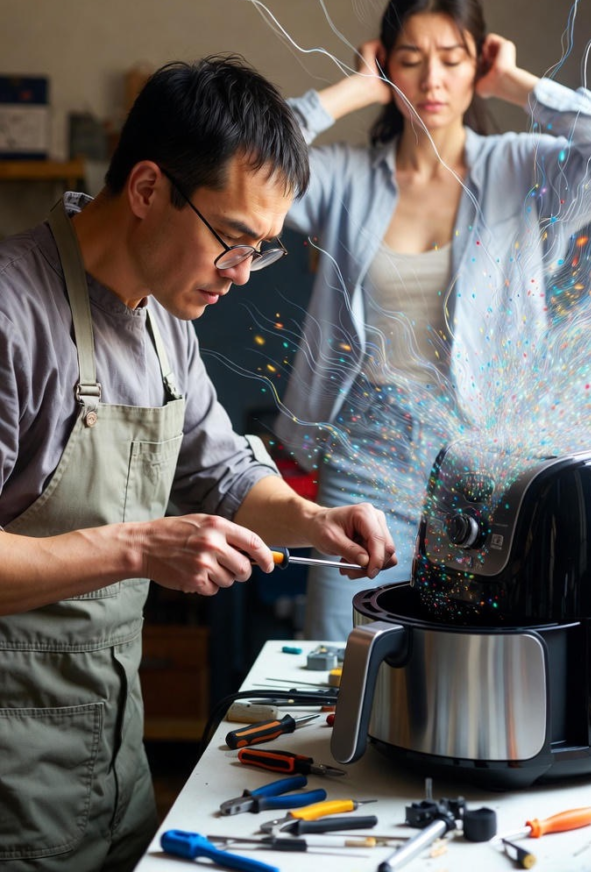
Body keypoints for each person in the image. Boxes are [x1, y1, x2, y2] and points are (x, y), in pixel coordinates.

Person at [0, 55, 396, 872]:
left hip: (111, 757)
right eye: (233, 241)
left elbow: (217, 469)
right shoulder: (13, 315)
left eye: (262, 251)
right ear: (147, 190)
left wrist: (312, 519)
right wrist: (141, 549)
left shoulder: (163, 317)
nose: (241, 275)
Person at [275, 0, 591, 642]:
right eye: (409, 59)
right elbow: (245, 155)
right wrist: (351, 90)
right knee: (342, 650)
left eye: (452, 59)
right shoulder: (342, 179)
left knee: (476, 647)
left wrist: (516, 85)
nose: (431, 79)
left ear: (475, 64)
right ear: (383, 63)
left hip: (484, 457)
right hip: (365, 451)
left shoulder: (522, 171)